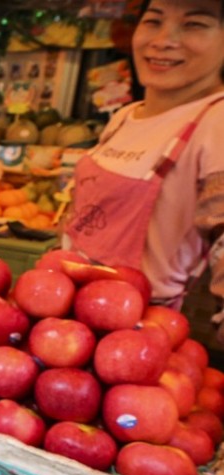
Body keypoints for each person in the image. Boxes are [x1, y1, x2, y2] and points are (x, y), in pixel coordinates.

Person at [61, 0, 224, 325]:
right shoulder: (125, 116)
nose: (163, 40)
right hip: (68, 304)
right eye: (153, 21)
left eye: (194, 24)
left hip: (135, 328)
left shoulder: (216, 118)